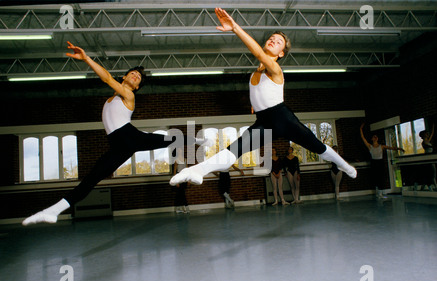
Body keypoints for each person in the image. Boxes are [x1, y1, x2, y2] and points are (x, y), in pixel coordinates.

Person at [22, 41, 211, 226]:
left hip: (129, 136)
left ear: (137, 87)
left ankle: (197, 140)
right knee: (93, 177)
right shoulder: (111, 99)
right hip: (118, 144)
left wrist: (86, 58)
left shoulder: (129, 95)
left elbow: (106, 79)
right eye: (133, 73)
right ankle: (53, 211)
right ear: (125, 77)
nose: (136, 76)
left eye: (138, 77)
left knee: (168, 139)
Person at [170, 8, 356, 189]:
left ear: (281, 53)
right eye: (271, 38)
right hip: (264, 121)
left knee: (317, 146)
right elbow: (260, 93)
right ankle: (196, 171)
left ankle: (344, 165)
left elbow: (259, 54)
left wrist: (235, 27)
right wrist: (255, 104)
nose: (273, 41)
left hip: (283, 118)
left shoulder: (275, 69)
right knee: (234, 149)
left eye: (278, 42)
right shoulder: (254, 75)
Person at [360, 123, 404, 199]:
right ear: (372, 139)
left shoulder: (382, 146)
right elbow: (363, 138)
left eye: (376, 137)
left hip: (380, 163)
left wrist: (399, 148)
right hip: (374, 163)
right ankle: (378, 193)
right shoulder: (370, 146)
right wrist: (361, 129)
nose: (375, 137)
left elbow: (391, 148)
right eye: (374, 137)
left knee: (381, 178)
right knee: (375, 178)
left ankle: (380, 193)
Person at [419, 124, 436, 191]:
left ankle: (426, 186)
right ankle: (434, 185)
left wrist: (433, 128)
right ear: (424, 135)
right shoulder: (424, 142)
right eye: (426, 134)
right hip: (428, 156)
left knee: (432, 172)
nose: (428, 134)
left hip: (430, 156)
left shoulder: (428, 140)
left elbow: (432, 134)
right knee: (431, 172)